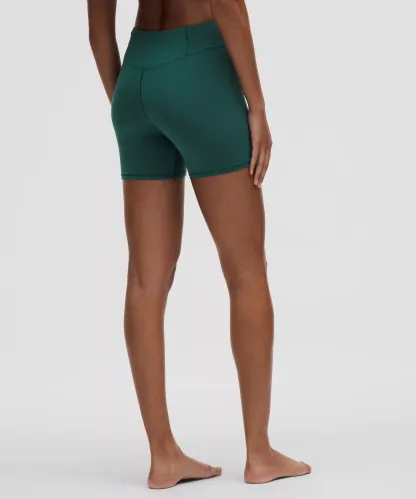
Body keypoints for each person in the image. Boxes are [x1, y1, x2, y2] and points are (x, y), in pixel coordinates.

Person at [87, 0, 311, 489]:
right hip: (199, 70)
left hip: (136, 79)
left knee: (144, 281)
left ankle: (163, 456)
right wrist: (257, 105)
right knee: (246, 270)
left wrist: (129, 105)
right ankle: (259, 454)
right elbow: (226, 5)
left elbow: (98, 33)